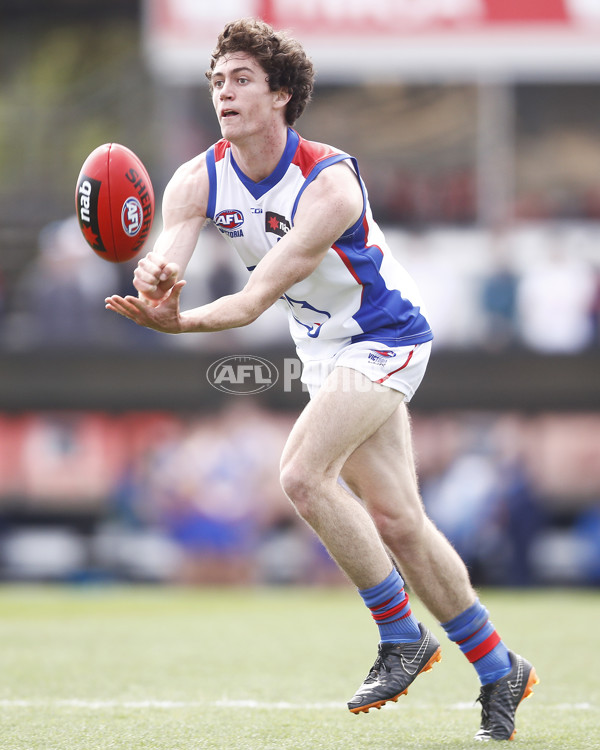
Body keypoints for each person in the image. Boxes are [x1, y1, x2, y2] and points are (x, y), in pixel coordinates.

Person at [106, 18, 538, 741]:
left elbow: (249, 303)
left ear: (280, 95)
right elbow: (166, 262)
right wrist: (156, 282)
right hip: (324, 349)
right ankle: (502, 670)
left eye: (241, 78)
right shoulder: (196, 177)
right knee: (399, 520)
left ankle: (401, 636)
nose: (224, 91)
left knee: (303, 475)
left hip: (384, 337)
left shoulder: (328, 183)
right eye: (217, 80)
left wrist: (178, 325)